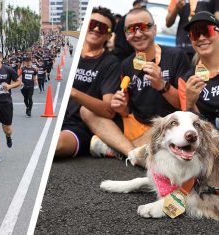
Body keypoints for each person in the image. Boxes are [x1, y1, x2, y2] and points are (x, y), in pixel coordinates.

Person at [81, 8, 190, 164]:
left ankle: (118, 148)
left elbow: (184, 106)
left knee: (169, 125)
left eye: (143, 27)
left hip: (164, 126)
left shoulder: (176, 56)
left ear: (154, 29)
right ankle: (134, 154)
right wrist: (122, 107)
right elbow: (127, 110)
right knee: (87, 111)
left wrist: (162, 85)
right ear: (126, 35)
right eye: (131, 29)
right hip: (136, 125)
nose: (138, 34)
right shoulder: (126, 64)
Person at [54, 6, 121, 158]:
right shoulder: (72, 55)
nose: (96, 29)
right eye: (92, 24)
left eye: (103, 27)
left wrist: (74, 93)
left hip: (77, 127)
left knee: (55, 145)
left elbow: (109, 111)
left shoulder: (111, 63)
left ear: (109, 36)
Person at [178, 11, 219, 130]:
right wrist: (190, 104)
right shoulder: (186, 80)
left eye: (207, 31)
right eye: (195, 33)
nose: (201, 38)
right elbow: (194, 129)